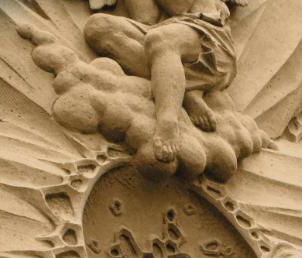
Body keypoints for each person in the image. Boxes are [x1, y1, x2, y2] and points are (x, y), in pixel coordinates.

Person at [84, 0, 241, 161]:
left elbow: (178, 6)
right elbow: (146, 18)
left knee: (161, 39)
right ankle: (182, 90)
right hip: (164, 33)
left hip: (207, 34)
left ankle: (168, 122)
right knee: (98, 26)